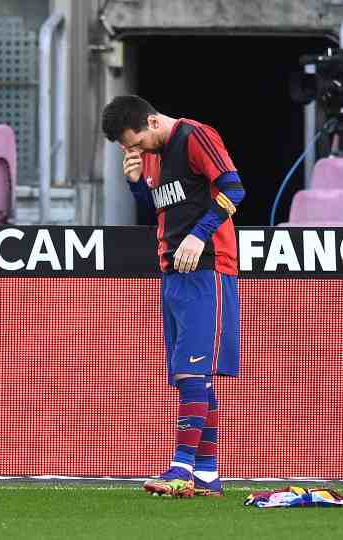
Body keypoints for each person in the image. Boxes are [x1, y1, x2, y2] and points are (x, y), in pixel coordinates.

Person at [102, 95, 246, 498]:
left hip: (208, 267)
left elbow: (234, 190)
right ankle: (207, 475)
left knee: (191, 372)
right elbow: (161, 209)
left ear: (151, 122)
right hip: (173, 272)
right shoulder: (150, 158)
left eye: (135, 143)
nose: (134, 152)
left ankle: (180, 467)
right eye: (127, 149)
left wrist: (199, 238)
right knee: (193, 378)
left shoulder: (195, 135)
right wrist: (134, 186)